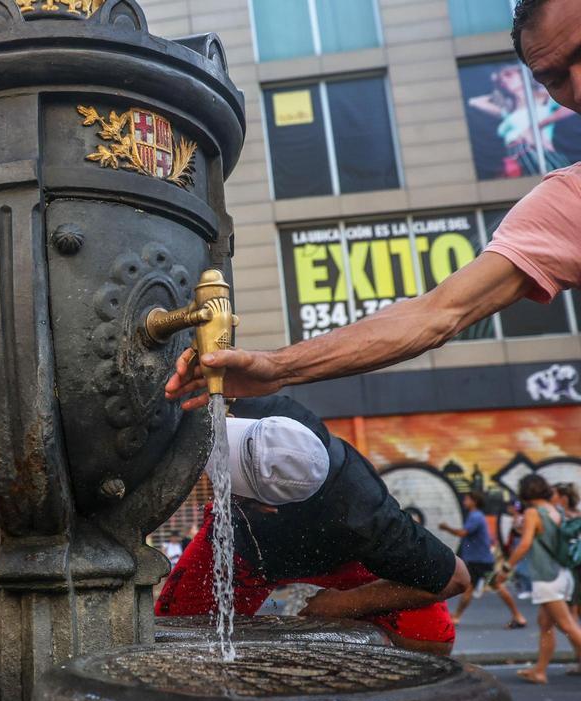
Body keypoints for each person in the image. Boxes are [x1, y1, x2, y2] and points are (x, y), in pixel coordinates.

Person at [166, 0, 581, 410]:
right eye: (554, 78)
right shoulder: (567, 202)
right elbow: (436, 314)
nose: (577, 88)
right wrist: (277, 368)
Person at [156, 396, 471, 659]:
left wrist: (347, 602)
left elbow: (457, 578)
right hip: (242, 549)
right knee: (168, 638)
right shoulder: (278, 415)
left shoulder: (367, 520)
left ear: (264, 507)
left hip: (341, 558)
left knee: (433, 640)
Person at [495, 475, 581, 684]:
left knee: (568, 625)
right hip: (562, 574)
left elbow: (524, 545)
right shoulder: (555, 510)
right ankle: (540, 671)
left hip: (546, 578)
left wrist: (506, 568)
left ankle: (540, 671)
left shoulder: (533, 512)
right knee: (545, 624)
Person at [439, 490, 526, 627]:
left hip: (482, 562)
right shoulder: (475, 516)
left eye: (467, 499)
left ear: (474, 501)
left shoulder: (476, 516)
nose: (464, 502)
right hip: (477, 561)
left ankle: (518, 616)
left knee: (495, 585)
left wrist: (446, 528)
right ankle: (457, 616)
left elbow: (463, 533)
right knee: (469, 588)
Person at [551, 482, 581, 617]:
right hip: (566, 561)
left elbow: (566, 532)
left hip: (573, 561)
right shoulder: (558, 513)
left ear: (563, 498)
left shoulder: (569, 516)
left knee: (573, 600)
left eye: (553, 494)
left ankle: (574, 633)